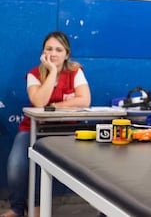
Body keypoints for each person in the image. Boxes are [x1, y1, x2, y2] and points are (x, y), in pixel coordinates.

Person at [2, 31, 91, 217]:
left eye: (59, 50)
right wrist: (51, 72)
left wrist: (55, 106)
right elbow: (39, 102)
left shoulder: (75, 71)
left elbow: (84, 100)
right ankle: (18, 208)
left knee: (46, 165)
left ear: (66, 54)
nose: (53, 53)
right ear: (43, 53)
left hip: (65, 130)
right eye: (49, 49)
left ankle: (37, 207)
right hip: (33, 128)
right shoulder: (34, 74)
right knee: (16, 164)